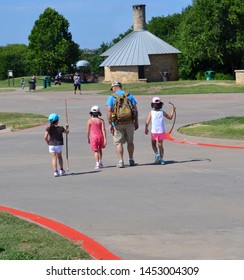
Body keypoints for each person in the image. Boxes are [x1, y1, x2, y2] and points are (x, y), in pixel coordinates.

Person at [106, 81, 139, 168]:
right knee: (130, 142)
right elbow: (135, 110)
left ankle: (121, 161)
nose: (112, 90)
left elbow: (109, 111)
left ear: (115, 87)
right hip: (129, 122)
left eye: (113, 88)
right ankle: (131, 159)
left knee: (119, 143)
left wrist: (110, 123)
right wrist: (136, 121)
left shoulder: (111, 97)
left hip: (117, 123)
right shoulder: (129, 95)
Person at [145, 97, 176, 165]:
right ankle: (161, 159)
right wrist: (173, 110)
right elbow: (170, 117)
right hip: (161, 131)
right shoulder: (162, 112)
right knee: (160, 145)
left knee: (153, 144)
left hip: (154, 131)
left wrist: (146, 128)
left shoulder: (151, 112)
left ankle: (156, 153)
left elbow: (147, 122)